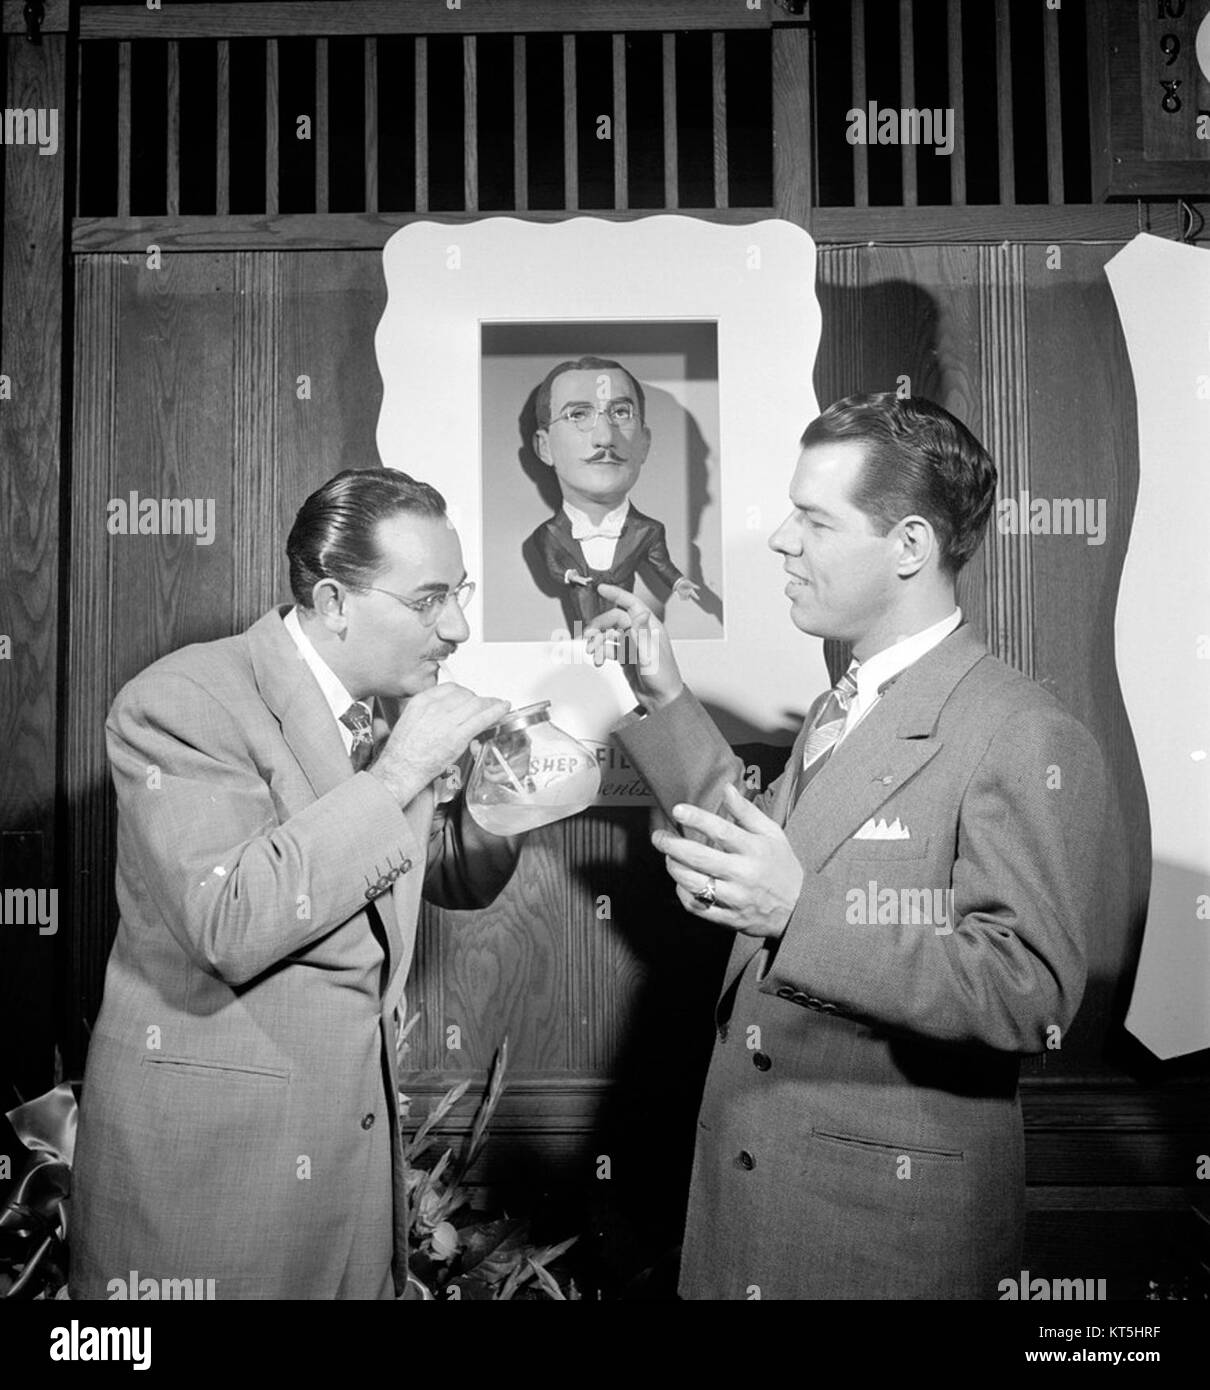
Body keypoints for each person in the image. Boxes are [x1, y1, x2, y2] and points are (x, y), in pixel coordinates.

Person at [586, 393, 1111, 1300]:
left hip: (880, 1243)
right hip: (751, 1207)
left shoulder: (1022, 732)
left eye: (814, 520)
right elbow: (771, 857)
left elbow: (1033, 993)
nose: (783, 540)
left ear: (909, 546)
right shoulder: (844, 703)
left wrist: (800, 913)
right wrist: (666, 696)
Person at [70, 469, 521, 1300]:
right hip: (217, 1177)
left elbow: (439, 878)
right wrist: (402, 773)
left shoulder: (384, 708)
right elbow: (230, 917)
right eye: (427, 602)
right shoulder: (182, 699)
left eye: (458, 593)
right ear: (334, 600)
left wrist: (507, 800)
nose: (456, 626)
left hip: (352, 1170)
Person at [524, 355, 700, 626]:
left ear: (644, 442)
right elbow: (555, 567)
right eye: (578, 415)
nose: (605, 438)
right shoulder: (548, 535)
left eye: (621, 413)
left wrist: (678, 583)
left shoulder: (648, 531)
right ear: (545, 447)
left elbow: (663, 565)